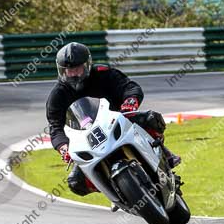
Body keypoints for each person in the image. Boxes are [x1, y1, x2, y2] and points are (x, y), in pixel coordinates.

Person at [46, 42, 181, 196]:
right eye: (69, 70)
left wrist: (130, 101)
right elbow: (55, 127)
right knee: (76, 182)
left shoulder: (104, 74)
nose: (73, 74)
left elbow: (130, 87)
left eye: (77, 69)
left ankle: (163, 153)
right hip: (88, 138)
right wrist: (63, 147)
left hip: (119, 120)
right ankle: (113, 191)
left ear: (87, 65)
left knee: (151, 118)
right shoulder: (57, 95)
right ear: (61, 70)